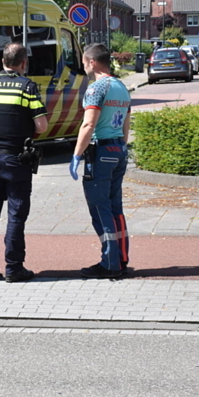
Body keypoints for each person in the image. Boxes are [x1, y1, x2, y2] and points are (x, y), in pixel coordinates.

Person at [0, 42, 48, 283]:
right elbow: (42, 126)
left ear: (2, 61)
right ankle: (14, 268)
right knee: (16, 213)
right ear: (23, 63)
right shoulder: (27, 88)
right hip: (16, 159)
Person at [69, 43, 132, 279]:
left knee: (100, 208)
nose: (83, 66)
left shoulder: (96, 88)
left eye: (84, 62)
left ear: (92, 62)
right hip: (118, 149)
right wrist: (122, 148)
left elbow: (88, 124)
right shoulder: (121, 86)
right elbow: (126, 123)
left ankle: (109, 263)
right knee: (116, 208)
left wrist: (77, 154)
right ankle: (121, 257)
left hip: (101, 152)